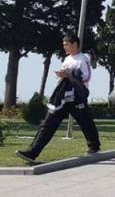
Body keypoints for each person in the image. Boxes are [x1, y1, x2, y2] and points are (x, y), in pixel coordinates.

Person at [16, 33, 101, 163]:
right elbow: (65, 75)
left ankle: (94, 146)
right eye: (64, 45)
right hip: (62, 98)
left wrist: (68, 74)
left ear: (75, 44)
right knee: (48, 124)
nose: (65, 48)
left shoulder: (83, 59)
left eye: (67, 45)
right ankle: (32, 153)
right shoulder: (67, 60)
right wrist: (62, 75)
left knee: (86, 123)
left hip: (77, 98)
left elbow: (86, 77)